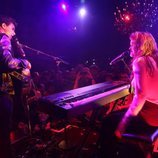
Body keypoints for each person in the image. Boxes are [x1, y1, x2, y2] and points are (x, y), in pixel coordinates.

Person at [100, 31, 158, 158]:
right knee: (115, 114)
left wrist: (123, 123)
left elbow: (142, 96)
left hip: (147, 118)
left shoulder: (140, 61)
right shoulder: (152, 61)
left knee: (107, 121)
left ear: (139, 46)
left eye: (132, 44)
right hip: (155, 116)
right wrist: (127, 108)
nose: (129, 47)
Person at [0, 15, 31, 158]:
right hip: (2, 92)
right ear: (3, 26)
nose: (13, 33)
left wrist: (21, 75)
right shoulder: (3, 38)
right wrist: (24, 63)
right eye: (12, 29)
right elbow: (9, 63)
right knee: (4, 130)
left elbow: (5, 70)